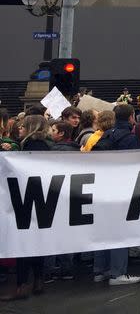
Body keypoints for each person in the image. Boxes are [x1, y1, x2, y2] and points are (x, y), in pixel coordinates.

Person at [1, 115, 50, 301]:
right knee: (36, 242)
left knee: (23, 244)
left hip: (27, 199)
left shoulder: (31, 145)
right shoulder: (44, 144)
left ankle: (21, 286)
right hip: (40, 199)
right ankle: (38, 281)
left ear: (31, 127)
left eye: (23, 126)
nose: (19, 129)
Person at [93, 104, 140, 285]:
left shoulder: (104, 135)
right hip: (122, 189)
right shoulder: (130, 138)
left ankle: (100, 270)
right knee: (120, 232)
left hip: (103, 188)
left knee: (104, 231)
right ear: (131, 117)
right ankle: (118, 273)